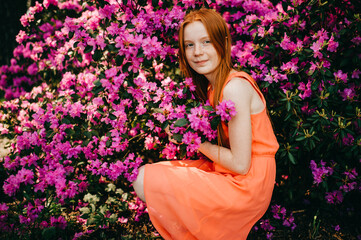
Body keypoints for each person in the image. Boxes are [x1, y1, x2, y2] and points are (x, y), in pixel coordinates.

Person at [133, 8, 279, 240]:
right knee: (148, 176)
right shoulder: (214, 88)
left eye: (206, 42)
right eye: (189, 45)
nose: (197, 52)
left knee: (144, 179)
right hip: (233, 174)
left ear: (224, 43)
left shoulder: (233, 88)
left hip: (247, 184)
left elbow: (241, 164)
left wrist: (193, 140)